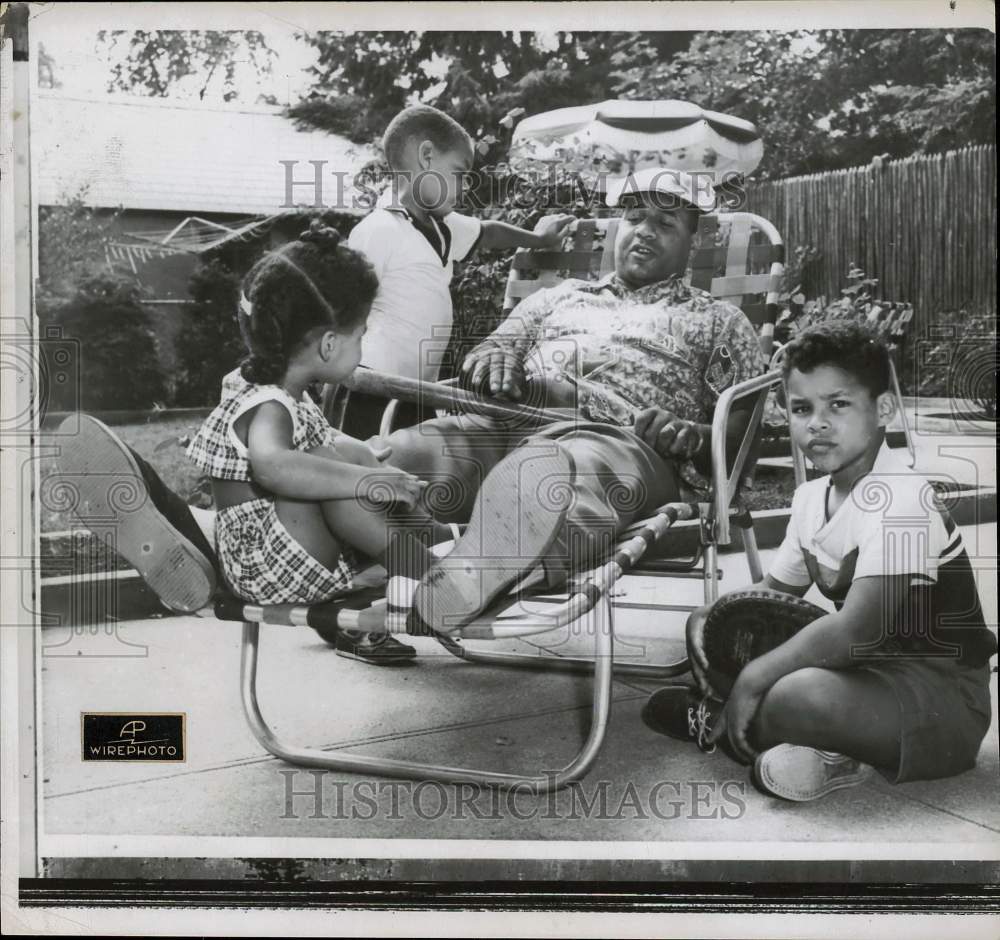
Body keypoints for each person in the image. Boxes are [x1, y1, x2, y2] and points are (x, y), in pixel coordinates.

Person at [375, 167, 768, 634]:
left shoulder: (717, 320)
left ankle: (486, 566)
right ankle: (417, 557)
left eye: (665, 224)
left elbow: (744, 436)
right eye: (635, 217)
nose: (644, 231)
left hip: (614, 439)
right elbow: (492, 349)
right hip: (510, 416)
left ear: (693, 243)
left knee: (558, 475)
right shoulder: (556, 298)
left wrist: (693, 435)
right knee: (400, 458)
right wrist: (493, 363)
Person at [642, 322, 996, 801]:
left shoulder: (906, 499)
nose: (818, 423)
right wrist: (713, 627)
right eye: (802, 408)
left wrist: (752, 678)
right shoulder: (811, 498)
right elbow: (766, 596)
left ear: (884, 410)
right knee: (709, 620)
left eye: (839, 404)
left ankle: (730, 721)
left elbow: (857, 632)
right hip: (865, 675)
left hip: (940, 700)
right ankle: (802, 743)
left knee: (797, 694)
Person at [332, 103, 574, 436]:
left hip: (418, 393)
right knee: (367, 472)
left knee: (416, 471)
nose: (464, 189)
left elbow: (488, 231)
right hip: (371, 388)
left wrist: (539, 238)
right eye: (459, 174)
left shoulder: (442, 227)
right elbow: (344, 305)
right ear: (426, 156)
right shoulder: (379, 229)